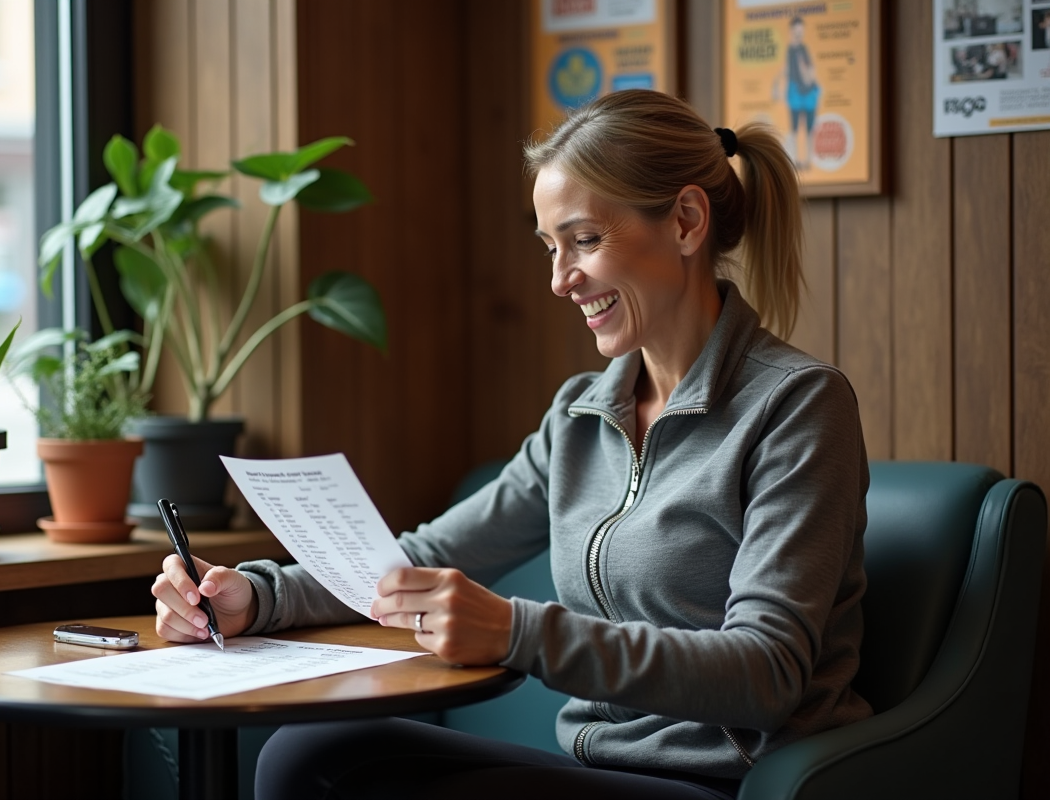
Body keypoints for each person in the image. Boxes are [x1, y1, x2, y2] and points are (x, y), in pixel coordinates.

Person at [153, 89, 872, 800]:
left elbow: (767, 672)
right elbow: (421, 559)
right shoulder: (580, 417)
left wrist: (514, 630)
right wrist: (254, 595)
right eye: (551, 247)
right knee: (308, 753)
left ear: (686, 220)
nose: (561, 280)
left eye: (585, 241)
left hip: (725, 783)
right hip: (599, 770)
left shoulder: (796, 406)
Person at [773, 16, 819, 169]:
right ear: (791, 31)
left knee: (808, 129)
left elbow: (809, 73)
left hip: (808, 94)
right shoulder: (790, 49)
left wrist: (807, 78)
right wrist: (776, 84)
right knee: (794, 128)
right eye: (796, 31)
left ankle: (808, 161)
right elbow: (787, 68)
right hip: (795, 93)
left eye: (801, 31)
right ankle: (796, 160)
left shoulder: (803, 50)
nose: (799, 34)